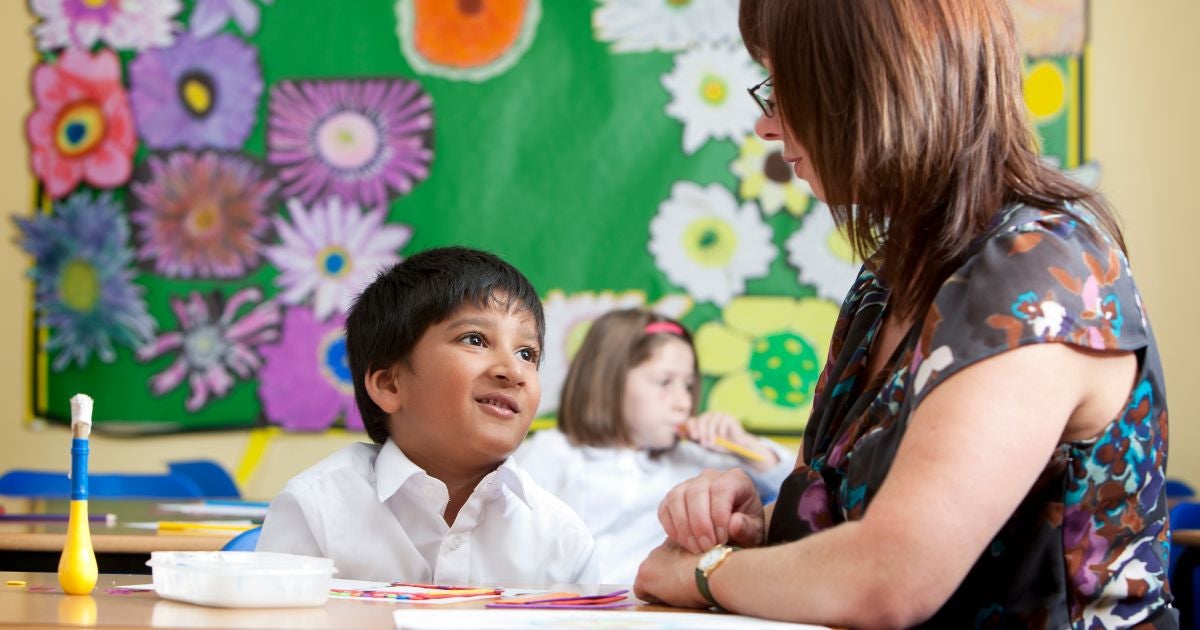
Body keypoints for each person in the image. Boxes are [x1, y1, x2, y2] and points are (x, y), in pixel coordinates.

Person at [633, 1, 1174, 628]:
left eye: (781, 89)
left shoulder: (1039, 272)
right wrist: (760, 525)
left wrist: (705, 574)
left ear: (866, 87)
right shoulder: (885, 282)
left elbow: (889, 579)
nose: (767, 127)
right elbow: (858, 545)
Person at [258, 246, 598, 584]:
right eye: (475, 339)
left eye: (527, 353)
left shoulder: (562, 541)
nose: (513, 370)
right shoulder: (316, 511)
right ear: (390, 385)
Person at [515, 308, 794, 584]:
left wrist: (747, 447)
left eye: (687, 385)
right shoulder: (551, 452)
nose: (683, 401)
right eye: (665, 382)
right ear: (608, 381)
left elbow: (801, 494)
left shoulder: (697, 462)